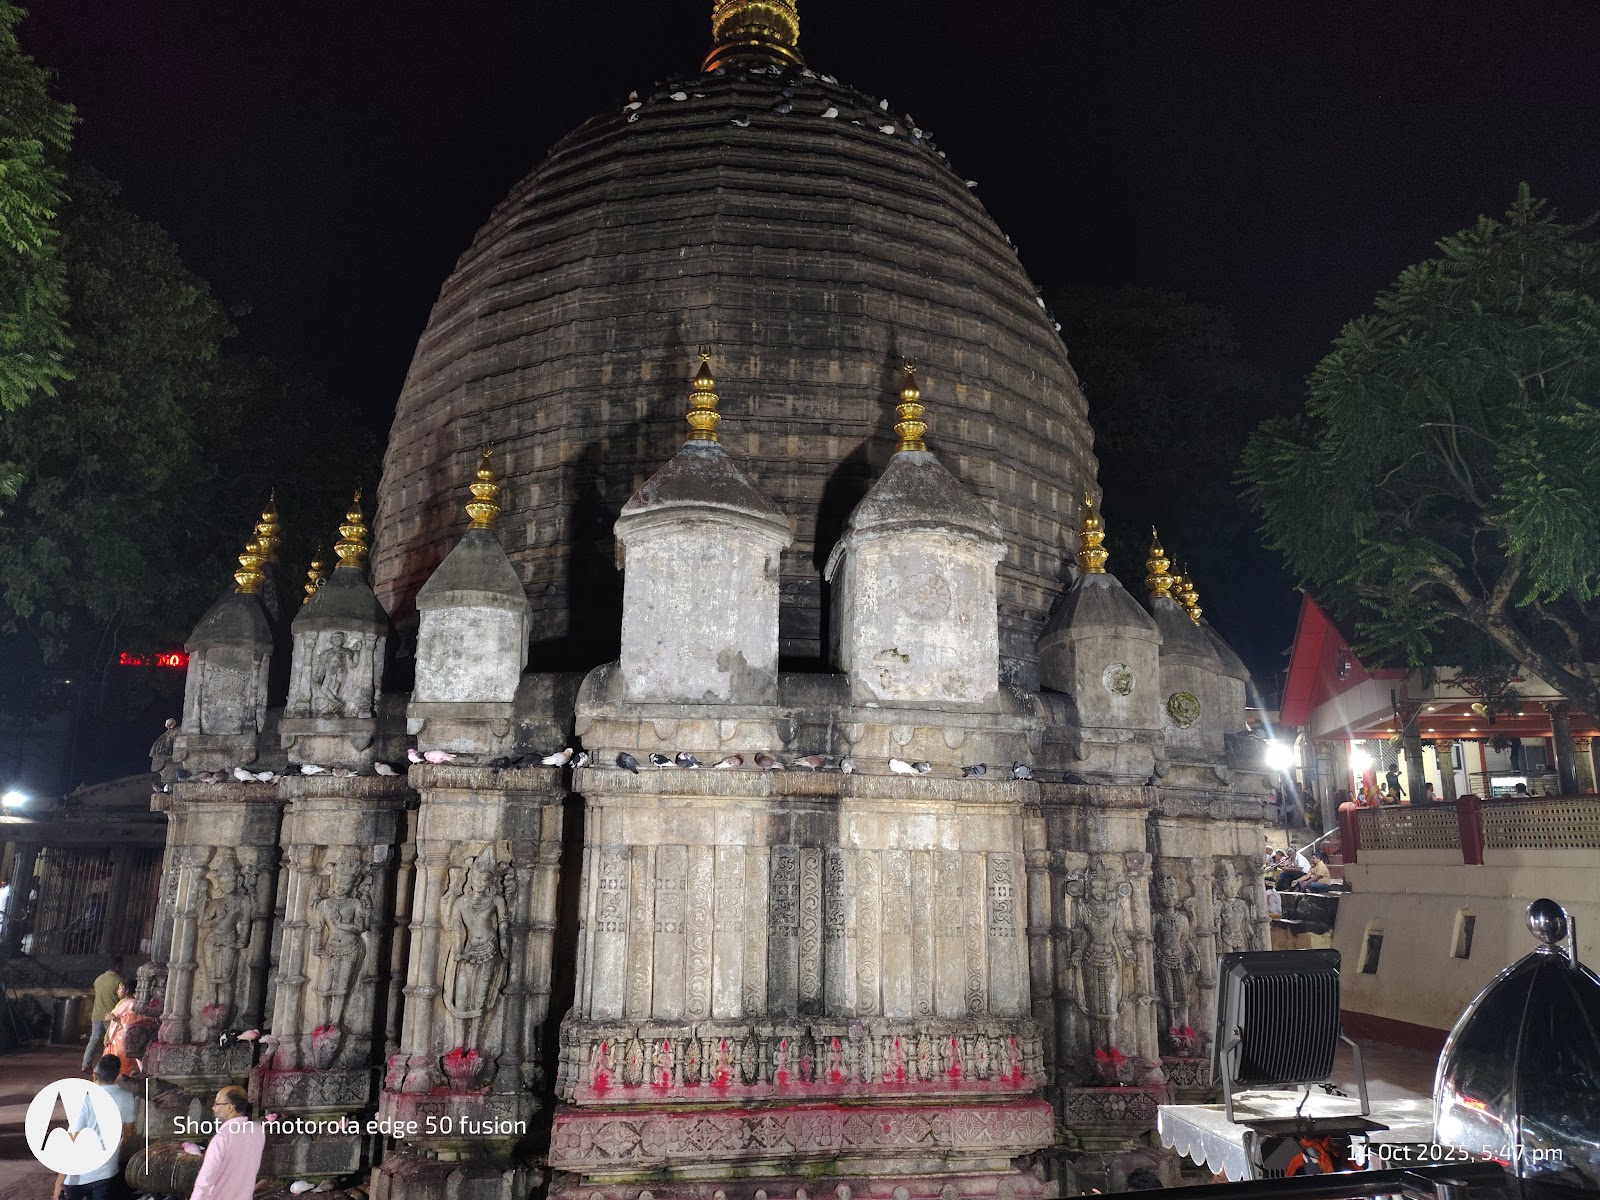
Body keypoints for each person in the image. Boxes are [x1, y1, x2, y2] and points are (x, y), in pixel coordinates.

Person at [53, 1054, 137, 1200]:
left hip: (77, 1177)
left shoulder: (85, 1101)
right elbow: (129, 1134)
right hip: (107, 1173)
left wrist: (59, 1182)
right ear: (117, 1074)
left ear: (94, 1075)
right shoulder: (127, 1098)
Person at [188, 1085, 265, 1200]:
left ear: (230, 1107)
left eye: (217, 1104)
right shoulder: (257, 1131)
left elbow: (205, 1181)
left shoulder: (222, 1138)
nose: (214, 1108)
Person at [84, 963, 123, 1073]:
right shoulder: (119, 980)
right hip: (111, 1016)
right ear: (118, 967)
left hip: (96, 1014)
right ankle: (107, 1069)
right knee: (112, 1042)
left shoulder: (98, 979)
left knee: (94, 1039)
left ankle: (86, 1064)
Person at [100, 981, 139, 1076]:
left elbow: (130, 1024)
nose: (117, 991)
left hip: (122, 1039)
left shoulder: (132, 1004)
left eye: (120, 988)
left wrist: (115, 1018)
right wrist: (106, 1035)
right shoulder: (121, 1002)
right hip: (113, 1037)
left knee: (120, 1062)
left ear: (127, 990)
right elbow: (113, 1022)